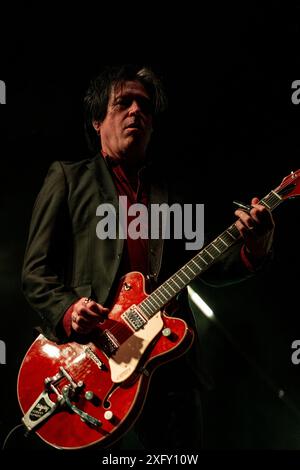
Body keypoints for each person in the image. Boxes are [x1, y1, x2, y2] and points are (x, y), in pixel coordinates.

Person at [21, 64, 275, 451]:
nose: (136, 111)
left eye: (144, 106)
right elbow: (35, 272)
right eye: (123, 103)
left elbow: (207, 265)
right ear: (96, 120)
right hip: (90, 363)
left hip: (168, 364)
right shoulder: (68, 178)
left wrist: (255, 248)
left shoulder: (171, 193)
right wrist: (69, 310)